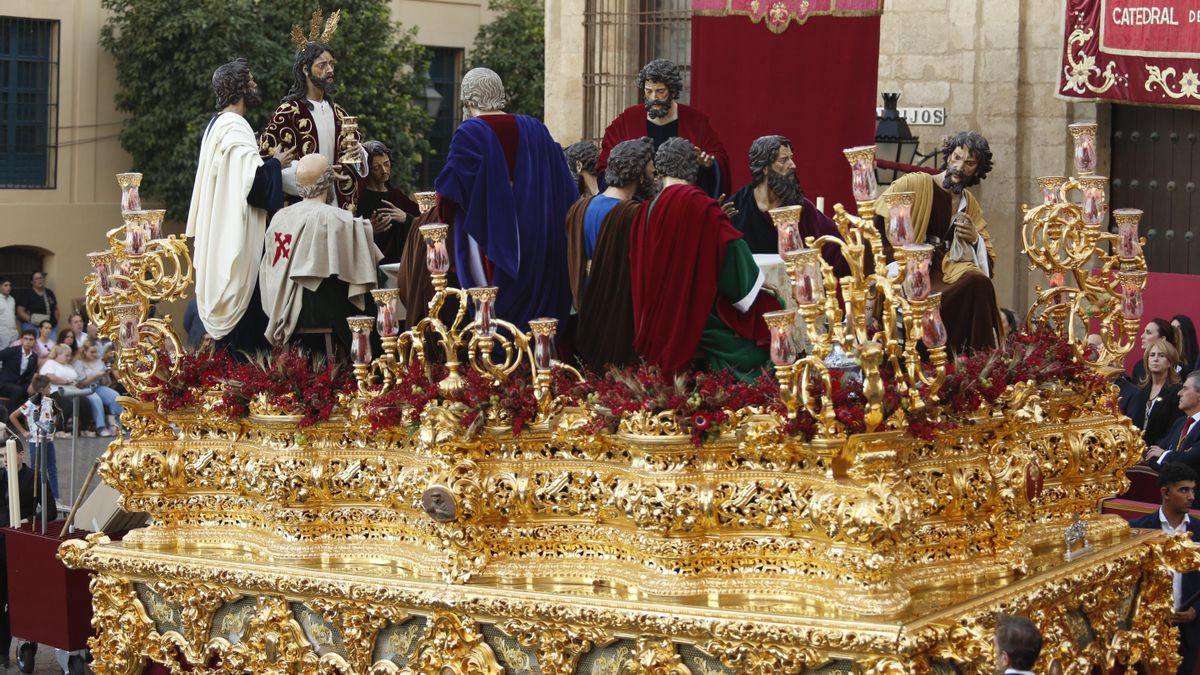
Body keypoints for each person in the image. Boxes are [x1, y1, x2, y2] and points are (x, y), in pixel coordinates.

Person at [431, 67, 576, 331]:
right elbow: (565, 185)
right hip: (539, 236)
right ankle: (537, 355)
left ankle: (495, 357)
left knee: (491, 311)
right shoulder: (536, 128)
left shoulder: (470, 132)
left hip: (492, 239)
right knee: (537, 316)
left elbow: (450, 192)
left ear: (468, 100)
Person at [629, 137, 780, 379]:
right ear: (692, 166)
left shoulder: (646, 210)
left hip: (655, 325)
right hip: (695, 321)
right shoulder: (699, 204)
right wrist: (756, 285)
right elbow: (732, 253)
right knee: (771, 323)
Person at [187, 58, 290, 354]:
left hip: (222, 235)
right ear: (238, 87)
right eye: (251, 80)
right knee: (248, 337)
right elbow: (255, 188)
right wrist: (275, 164)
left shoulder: (216, 126)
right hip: (240, 242)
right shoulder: (234, 126)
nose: (255, 85)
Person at [874, 131, 1002, 353]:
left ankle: (975, 359)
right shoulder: (917, 183)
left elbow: (987, 257)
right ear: (948, 156)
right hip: (913, 265)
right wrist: (897, 258)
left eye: (969, 163)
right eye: (957, 157)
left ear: (978, 170)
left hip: (947, 269)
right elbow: (878, 219)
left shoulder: (969, 204)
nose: (960, 167)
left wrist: (974, 239)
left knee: (978, 283)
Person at [260, 153, 383, 349]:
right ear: (329, 181)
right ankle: (371, 365)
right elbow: (363, 265)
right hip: (315, 310)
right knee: (370, 300)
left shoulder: (280, 217)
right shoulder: (335, 218)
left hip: (278, 306)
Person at [564, 137, 655, 370]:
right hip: (620, 303)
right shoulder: (634, 214)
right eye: (650, 172)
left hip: (586, 300)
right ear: (639, 174)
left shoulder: (581, 207)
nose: (653, 178)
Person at [259, 31, 367, 212]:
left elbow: (355, 158)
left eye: (331, 64)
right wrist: (318, 176)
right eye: (322, 65)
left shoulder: (339, 113)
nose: (330, 70)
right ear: (305, 69)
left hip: (338, 208)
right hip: (303, 208)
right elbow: (271, 162)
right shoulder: (287, 113)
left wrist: (360, 153)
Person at [597, 58, 730, 199]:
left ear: (672, 91)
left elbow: (719, 159)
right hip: (636, 207)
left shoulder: (696, 122)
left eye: (660, 91)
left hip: (681, 202)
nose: (654, 97)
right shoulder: (626, 121)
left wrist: (708, 165)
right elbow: (605, 167)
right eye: (648, 91)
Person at [728, 135, 849, 276]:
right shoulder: (737, 207)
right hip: (752, 291)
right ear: (765, 168)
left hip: (796, 290)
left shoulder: (800, 208)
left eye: (791, 158)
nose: (793, 165)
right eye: (783, 160)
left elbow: (836, 248)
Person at [1129, 462, 1200, 673]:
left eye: (1193, 490)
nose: (1191, 497)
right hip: (1147, 630)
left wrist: (1196, 611)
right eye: (1184, 490)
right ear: (1165, 493)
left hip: (1186, 633)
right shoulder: (1138, 529)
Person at [0, 441, 37, 668]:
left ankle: (28, 644)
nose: (4, 459)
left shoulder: (33, 477)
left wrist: (28, 522)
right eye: (1, 456)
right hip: (2, 548)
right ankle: (2, 650)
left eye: (7, 454)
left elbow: (49, 510)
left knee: (26, 599)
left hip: (24, 548)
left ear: (20, 455)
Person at [357, 140, 419, 265]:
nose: (384, 170)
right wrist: (368, 230)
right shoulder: (358, 199)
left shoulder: (396, 195)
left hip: (397, 264)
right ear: (367, 169)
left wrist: (406, 219)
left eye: (387, 164)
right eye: (376, 168)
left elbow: (423, 221)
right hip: (368, 264)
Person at [1121, 338, 1184, 446]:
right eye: (1152, 355)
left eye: (1161, 355)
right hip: (1135, 449)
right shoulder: (1140, 390)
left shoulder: (1177, 391)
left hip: (1157, 451)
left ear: (1170, 362)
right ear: (1147, 360)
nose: (1155, 359)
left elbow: (1174, 429)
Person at [9, 374, 61, 502]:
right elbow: (13, 416)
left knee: (52, 469)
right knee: (36, 470)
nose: (50, 389)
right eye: (49, 387)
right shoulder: (30, 403)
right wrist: (24, 431)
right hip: (36, 442)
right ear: (41, 389)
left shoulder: (49, 401)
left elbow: (50, 417)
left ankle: (55, 497)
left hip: (48, 441)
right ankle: (36, 498)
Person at [40, 344, 108, 438]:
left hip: (72, 391)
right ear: (58, 354)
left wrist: (74, 382)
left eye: (69, 355)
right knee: (68, 404)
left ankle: (84, 429)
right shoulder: (51, 363)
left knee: (86, 402)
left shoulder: (68, 366)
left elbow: (74, 379)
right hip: (56, 391)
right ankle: (59, 429)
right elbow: (50, 376)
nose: (68, 358)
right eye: (66, 355)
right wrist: (66, 381)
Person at [1147, 371, 1200, 473]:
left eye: (1185, 388)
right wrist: (1172, 459)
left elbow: (1192, 460)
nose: (1179, 393)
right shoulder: (1180, 422)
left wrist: (1164, 454)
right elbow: (1152, 454)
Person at [73, 342, 122, 436]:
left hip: (98, 386)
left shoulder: (99, 362)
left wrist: (104, 376)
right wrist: (95, 376)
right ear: (85, 352)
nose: (94, 354)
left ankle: (117, 424)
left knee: (115, 396)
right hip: (84, 388)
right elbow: (80, 383)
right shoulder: (79, 363)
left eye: (96, 352)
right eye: (92, 352)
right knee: (96, 400)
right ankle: (101, 427)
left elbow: (105, 383)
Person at [0, 330, 37, 409]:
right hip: (4, 384)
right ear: (21, 340)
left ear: (35, 342)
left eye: (31, 339)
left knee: (37, 391)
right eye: (25, 339)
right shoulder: (12, 351)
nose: (28, 341)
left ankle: (25, 418)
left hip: (20, 385)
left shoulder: (34, 356)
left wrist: (32, 385)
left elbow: (32, 373)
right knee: (17, 390)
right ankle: (10, 419)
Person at [13, 272, 57, 336]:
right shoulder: (26, 293)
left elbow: (56, 309)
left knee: (51, 345)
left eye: (40, 278)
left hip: (51, 327)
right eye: (36, 279)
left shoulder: (49, 292)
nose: (39, 280)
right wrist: (32, 320)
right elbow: (20, 311)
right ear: (32, 282)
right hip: (32, 327)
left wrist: (55, 321)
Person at [0, 279, 17, 348]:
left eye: (10, 285)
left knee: (12, 355)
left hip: (13, 333)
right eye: (6, 285)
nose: (9, 287)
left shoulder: (12, 299)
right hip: (2, 334)